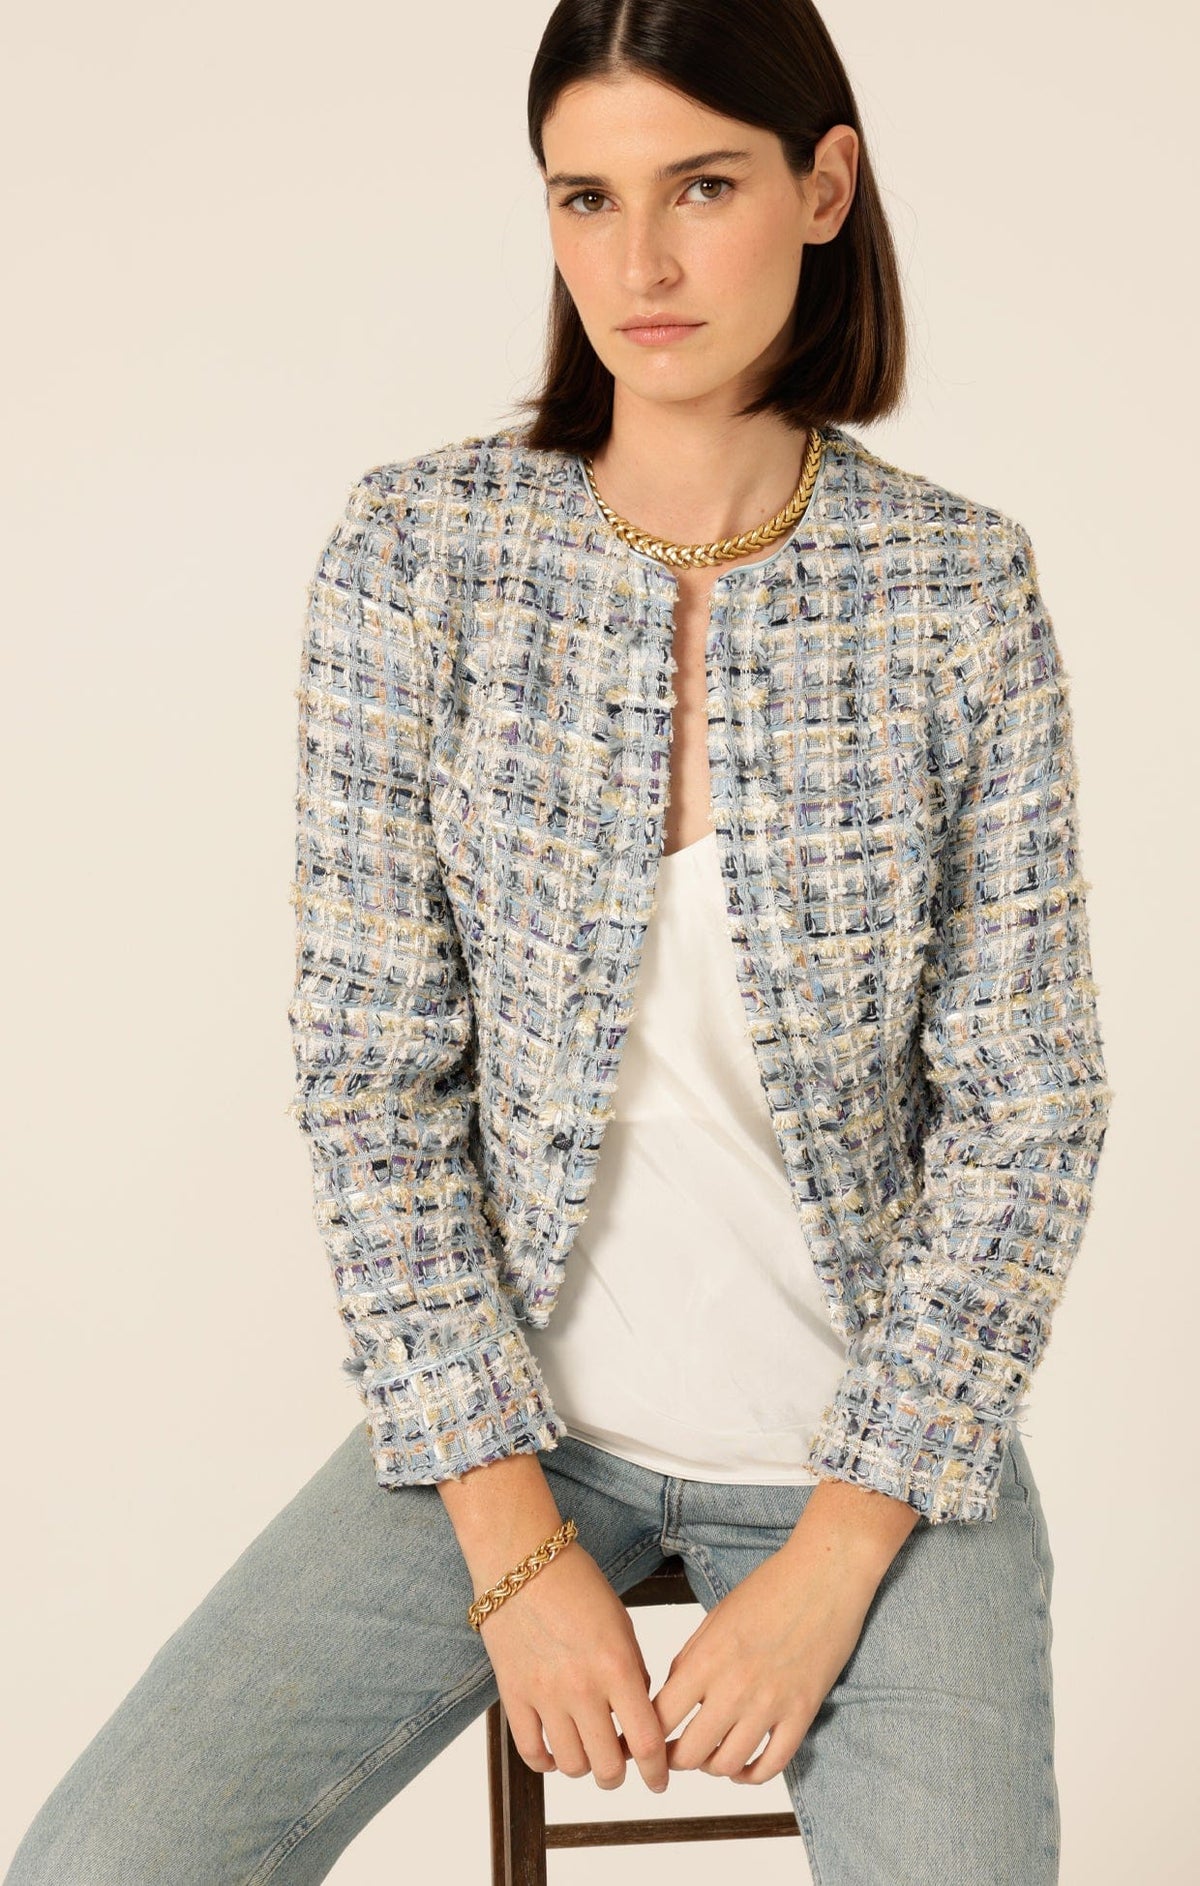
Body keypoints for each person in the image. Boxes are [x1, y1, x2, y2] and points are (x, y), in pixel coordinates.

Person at [4, 2, 1113, 1883]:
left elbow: (1032, 1105)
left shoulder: (957, 586)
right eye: (587, 197)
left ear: (824, 186)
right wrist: (514, 1548)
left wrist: (838, 1553)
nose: (641, 263)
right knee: (104, 1861)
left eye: (704, 188)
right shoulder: (419, 553)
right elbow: (373, 1080)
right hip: (512, 1429)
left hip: (884, 1451)